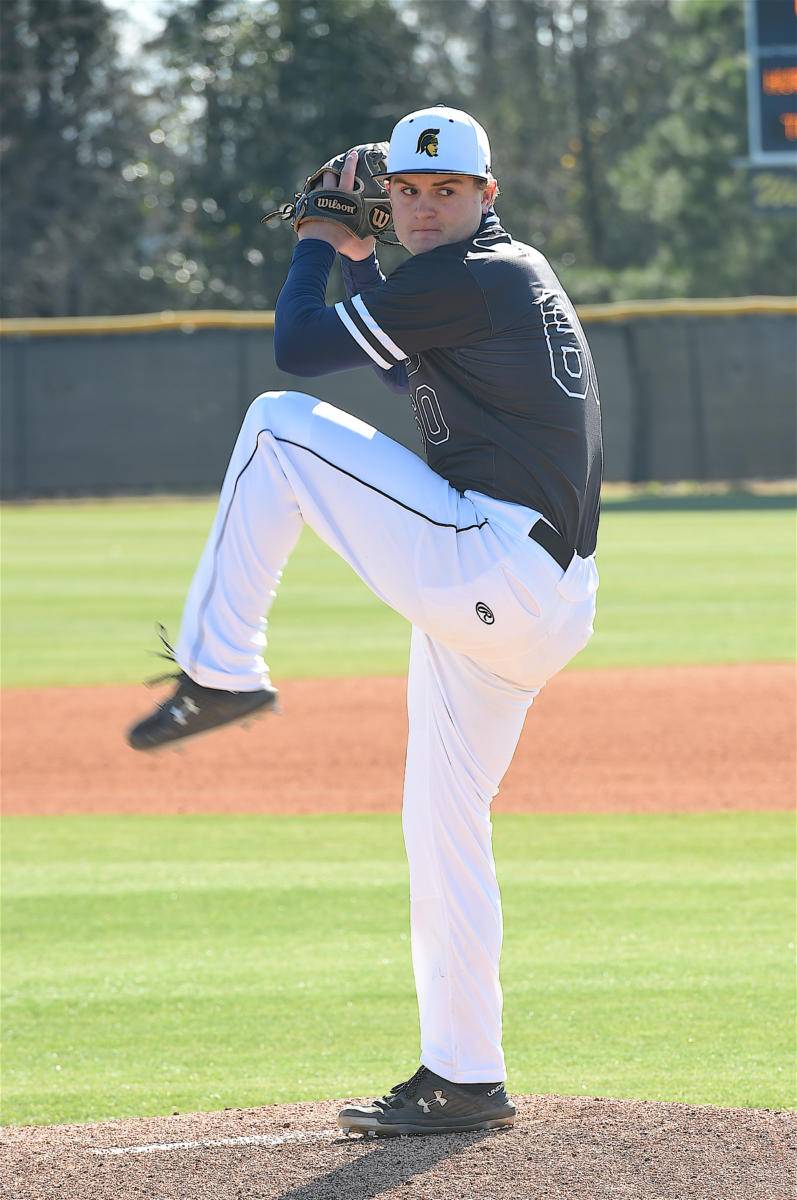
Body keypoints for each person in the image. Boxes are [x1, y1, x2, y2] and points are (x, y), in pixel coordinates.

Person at [128, 104, 602, 1137]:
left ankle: (220, 668)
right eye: (411, 192)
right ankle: (463, 1074)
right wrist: (354, 255)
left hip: (493, 559)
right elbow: (397, 361)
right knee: (440, 823)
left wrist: (315, 243)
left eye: (448, 190)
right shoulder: (492, 275)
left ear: (485, 196)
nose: (426, 206)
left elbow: (301, 350)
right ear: (394, 202)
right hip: (529, 594)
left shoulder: (476, 270)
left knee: (274, 430)